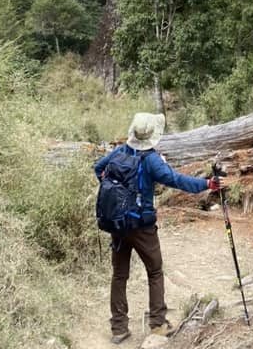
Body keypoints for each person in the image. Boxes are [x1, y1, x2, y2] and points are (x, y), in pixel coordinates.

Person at [94, 112, 222, 345]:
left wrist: (116, 195)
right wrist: (207, 184)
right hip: (142, 227)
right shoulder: (151, 160)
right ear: (152, 136)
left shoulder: (120, 151)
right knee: (154, 271)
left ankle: (119, 328)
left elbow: (98, 169)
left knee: (120, 275)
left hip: (118, 225)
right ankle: (157, 324)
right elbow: (176, 180)